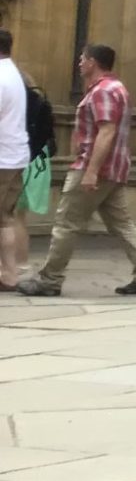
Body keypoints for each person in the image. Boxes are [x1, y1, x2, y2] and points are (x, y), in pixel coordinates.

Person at [16, 44, 136, 298]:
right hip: (114, 168)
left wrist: (91, 170)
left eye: (83, 59)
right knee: (121, 222)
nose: (79, 63)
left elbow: (107, 130)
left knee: (66, 223)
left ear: (93, 62)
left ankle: (50, 279)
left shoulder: (103, 91)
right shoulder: (116, 89)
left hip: (94, 167)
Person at [0, 29, 27, 291]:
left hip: (2, 158)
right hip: (15, 155)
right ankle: (9, 273)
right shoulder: (13, 72)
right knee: (5, 217)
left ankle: (8, 273)